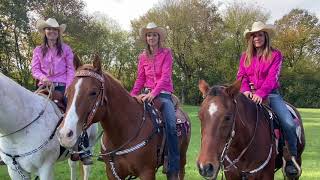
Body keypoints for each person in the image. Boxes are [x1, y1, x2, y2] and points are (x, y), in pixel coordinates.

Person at [237, 21, 300, 176]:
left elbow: (272, 78)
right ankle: (229, 158)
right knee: (230, 119)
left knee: (289, 123)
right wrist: (245, 91)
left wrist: (261, 93)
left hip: (271, 94)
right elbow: (241, 76)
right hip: (249, 95)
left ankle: (290, 158)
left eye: (259, 35)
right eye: (254, 35)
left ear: (265, 36)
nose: (256, 38)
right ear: (250, 39)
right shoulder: (245, 57)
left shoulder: (275, 55)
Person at [31, 18, 92, 165]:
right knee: (29, 110)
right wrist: (43, 77)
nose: (51, 31)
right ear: (44, 32)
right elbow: (35, 69)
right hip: (44, 86)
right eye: (49, 29)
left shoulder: (66, 49)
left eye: (54, 29)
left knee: (75, 111)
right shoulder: (38, 50)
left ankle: (83, 148)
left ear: (58, 33)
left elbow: (71, 69)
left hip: (63, 86)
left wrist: (69, 87)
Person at [130, 22, 180, 179]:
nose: (151, 37)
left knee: (171, 125)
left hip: (163, 94)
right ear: (146, 38)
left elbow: (165, 77)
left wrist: (154, 93)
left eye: (154, 35)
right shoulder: (142, 56)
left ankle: (173, 164)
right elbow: (140, 78)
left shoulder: (166, 53)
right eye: (149, 35)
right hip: (145, 94)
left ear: (159, 37)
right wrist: (132, 95)